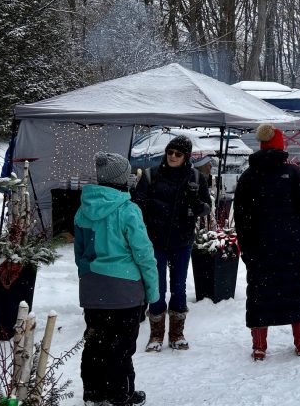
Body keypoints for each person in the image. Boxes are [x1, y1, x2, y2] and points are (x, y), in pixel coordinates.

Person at [76, 152, 159, 406]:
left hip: (93, 291)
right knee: (121, 347)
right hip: (125, 292)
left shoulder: (83, 209)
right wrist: (152, 291)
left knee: (95, 343)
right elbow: (144, 254)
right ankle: (119, 395)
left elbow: (80, 253)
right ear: (123, 178)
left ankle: (93, 393)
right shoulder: (128, 210)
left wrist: (90, 279)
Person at [234, 125, 300, 360]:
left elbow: (241, 216)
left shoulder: (248, 176)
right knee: (296, 293)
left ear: (262, 145)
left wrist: (245, 246)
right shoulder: (294, 174)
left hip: (259, 247)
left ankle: (259, 346)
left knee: (260, 296)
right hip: (294, 245)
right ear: (281, 147)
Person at [132, 135, 212, 352]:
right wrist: (147, 216)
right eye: (170, 152)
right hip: (155, 240)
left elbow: (206, 208)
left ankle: (177, 333)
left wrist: (194, 201)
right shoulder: (151, 175)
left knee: (179, 287)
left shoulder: (196, 177)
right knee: (156, 287)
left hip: (182, 240)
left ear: (186, 156)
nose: (173, 156)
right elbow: (137, 204)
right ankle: (156, 334)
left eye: (178, 153)